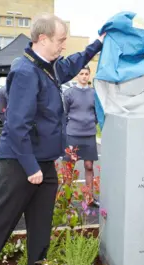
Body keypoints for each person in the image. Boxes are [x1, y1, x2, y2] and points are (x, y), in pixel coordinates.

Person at [0, 13, 106, 265]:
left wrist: (96, 45)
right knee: (2, 222)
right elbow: (16, 126)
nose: (63, 45)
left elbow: (69, 65)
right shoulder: (26, 71)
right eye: (60, 40)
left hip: (43, 161)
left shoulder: (47, 67)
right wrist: (30, 167)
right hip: (21, 162)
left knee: (41, 223)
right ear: (42, 39)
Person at [63, 66, 100, 207]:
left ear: (89, 75)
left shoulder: (94, 94)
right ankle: (66, 200)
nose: (84, 76)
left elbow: (97, 113)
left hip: (89, 134)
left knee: (89, 166)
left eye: (86, 74)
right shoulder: (69, 93)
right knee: (69, 167)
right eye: (81, 74)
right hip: (73, 135)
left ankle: (89, 198)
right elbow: (65, 114)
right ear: (76, 76)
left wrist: (90, 123)